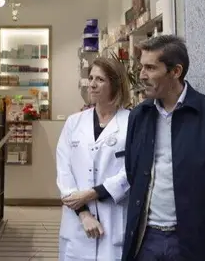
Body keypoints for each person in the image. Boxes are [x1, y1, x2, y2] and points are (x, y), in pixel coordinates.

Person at [122, 35, 205, 261]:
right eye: (142, 67)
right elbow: (133, 171)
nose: (142, 75)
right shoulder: (138, 116)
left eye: (151, 68)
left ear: (175, 71)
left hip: (196, 240)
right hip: (146, 238)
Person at [56, 57, 132, 260]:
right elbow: (64, 170)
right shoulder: (74, 122)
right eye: (90, 78)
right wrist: (83, 212)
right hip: (77, 221)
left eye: (100, 79)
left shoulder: (131, 122)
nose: (92, 84)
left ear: (115, 84)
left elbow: (131, 171)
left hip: (112, 218)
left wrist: (91, 194)